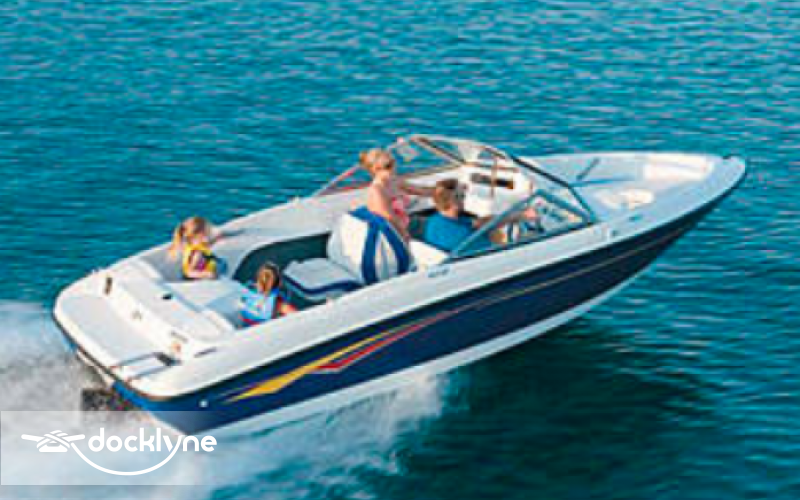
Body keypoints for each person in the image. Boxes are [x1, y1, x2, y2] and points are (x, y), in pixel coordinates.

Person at [424, 179, 539, 253]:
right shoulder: (464, 234)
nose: (465, 197)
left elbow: (478, 223)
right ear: (454, 200)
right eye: (462, 195)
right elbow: (487, 226)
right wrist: (521, 215)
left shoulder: (433, 222)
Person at [360, 148, 433, 240]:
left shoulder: (394, 180)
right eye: (388, 166)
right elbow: (391, 219)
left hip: (408, 222)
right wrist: (406, 236)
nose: (393, 167)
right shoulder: (377, 191)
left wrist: (441, 190)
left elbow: (420, 190)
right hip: (398, 232)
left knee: (439, 222)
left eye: (393, 162)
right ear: (375, 169)